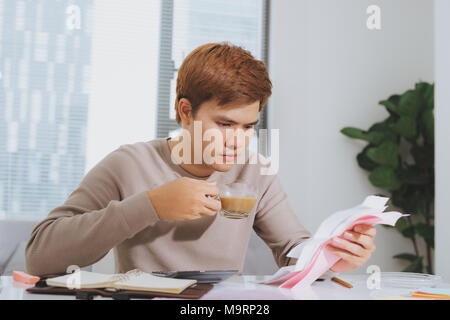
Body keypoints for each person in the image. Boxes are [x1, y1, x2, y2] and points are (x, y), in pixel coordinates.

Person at [25, 42, 376, 278]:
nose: (238, 141)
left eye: (248, 127)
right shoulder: (129, 163)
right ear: (185, 111)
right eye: (225, 124)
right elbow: (40, 257)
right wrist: (150, 205)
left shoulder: (257, 172)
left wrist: (332, 255)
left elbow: (292, 250)